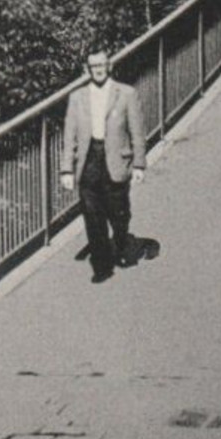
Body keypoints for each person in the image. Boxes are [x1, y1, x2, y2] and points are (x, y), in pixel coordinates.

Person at [60, 47, 148, 283]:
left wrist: (139, 164)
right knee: (91, 213)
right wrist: (66, 168)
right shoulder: (77, 98)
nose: (98, 70)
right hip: (89, 160)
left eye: (102, 66)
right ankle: (102, 265)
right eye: (93, 67)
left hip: (116, 159)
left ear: (109, 66)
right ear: (87, 70)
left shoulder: (126, 94)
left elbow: (137, 132)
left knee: (119, 212)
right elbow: (70, 135)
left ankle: (120, 240)